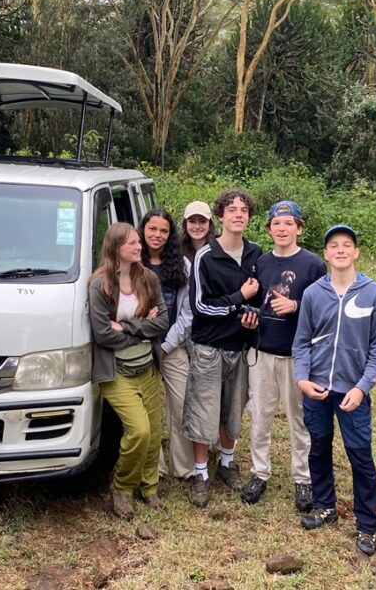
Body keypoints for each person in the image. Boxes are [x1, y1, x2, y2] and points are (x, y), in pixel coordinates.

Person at [292, 224, 376, 556]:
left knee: (360, 456)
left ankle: (367, 524)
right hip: (317, 388)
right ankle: (324, 505)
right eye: (334, 245)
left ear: (356, 252)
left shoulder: (374, 294)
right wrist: (302, 379)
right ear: (326, 254)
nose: (341, 250)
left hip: (352, 393)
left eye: (347, 245)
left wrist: (362, 389)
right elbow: (301, 343)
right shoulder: (312, 294)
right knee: (318, 448)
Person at [240, 201, 326, 512]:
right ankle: (259, 472)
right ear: (269, 228)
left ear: (299, 228)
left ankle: (302, 479)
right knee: (260, 416)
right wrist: (249, 320)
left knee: (298, 419)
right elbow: (256, 304)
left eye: (289, 223)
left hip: (298, 355)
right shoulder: (261, 262)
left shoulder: (313, 265)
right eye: (277, 223)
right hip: (261, 351)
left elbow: (325, 309)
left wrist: (296, 306)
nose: (282, 228)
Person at [183, 189, 262, 508]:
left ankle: (226, 463)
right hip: (208, 346)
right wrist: (238, 299)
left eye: (244, 210)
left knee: (233, 409)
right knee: (204, 410)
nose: (238, 214)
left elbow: (261, 300)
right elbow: (200, 306)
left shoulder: (257, 255)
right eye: (232, 210)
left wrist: (252, 316)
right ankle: (200, 474)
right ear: (221, 217)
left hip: (240, 348)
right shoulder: (206, 256)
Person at [89, 222, 169, 520]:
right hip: (117, 371)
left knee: (154, 433)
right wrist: (142, 329)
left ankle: (149, 488)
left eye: (138, 242)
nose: (139, 246)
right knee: (139, 431)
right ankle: (122, 488)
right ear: (115, 248)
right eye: (132, 243)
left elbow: (163, 322)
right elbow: (102, 334)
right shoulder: (100, 285)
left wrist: (126, 326)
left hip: (147, 367)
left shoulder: (147, 278)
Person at [138, 208, 195, 481]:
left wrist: (167, 345)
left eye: (163, 230)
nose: (157, 235)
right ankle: (154, 469)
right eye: (152, 229)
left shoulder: (183, 266)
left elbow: (188, 313)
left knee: (181, 405)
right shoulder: (133, 263)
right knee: (149, 410)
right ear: (143, 230)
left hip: (173, 347)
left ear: (170, 235)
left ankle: (183, 468)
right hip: (139, 348)